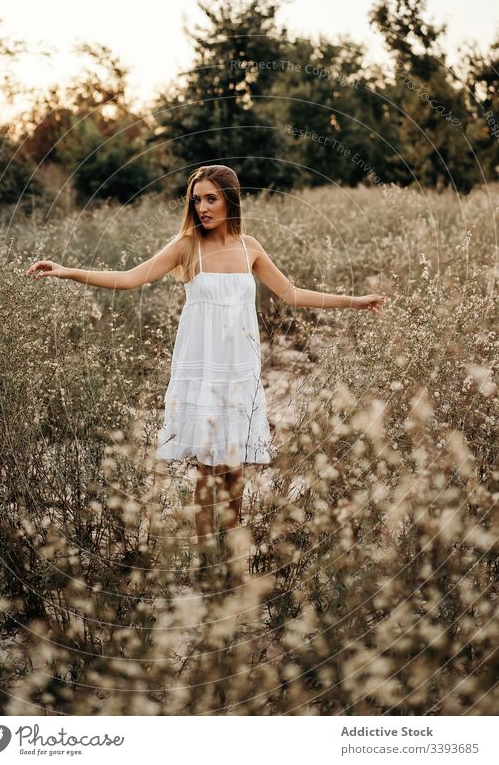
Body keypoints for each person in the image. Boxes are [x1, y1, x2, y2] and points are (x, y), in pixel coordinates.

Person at [27, 164, 386, 592]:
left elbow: (292, 293)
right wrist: (67, 270)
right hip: (202, 371)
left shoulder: (249, 247)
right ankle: (205, 569)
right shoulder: (187, 246)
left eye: (211, 198)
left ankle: (231, 566)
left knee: (235, 471)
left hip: (240, 371)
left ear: (230, 200)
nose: (202, 207)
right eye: (196, 199)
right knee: (207, 471)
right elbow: (128, 279)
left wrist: (355, 301)